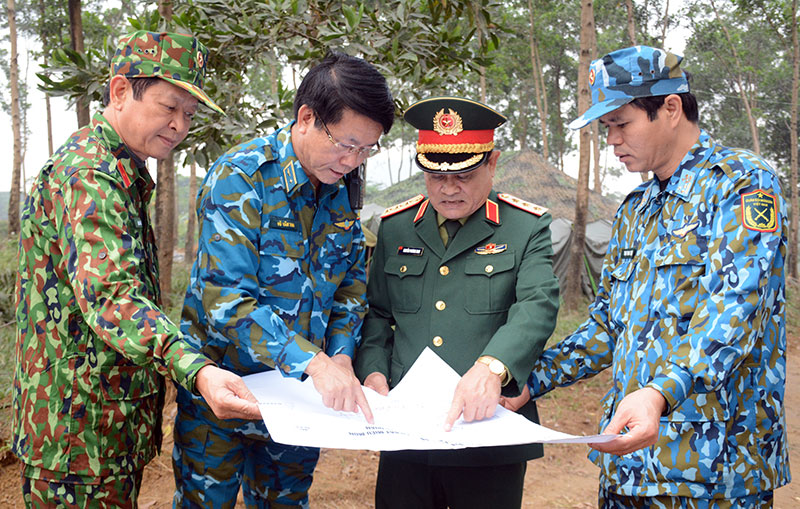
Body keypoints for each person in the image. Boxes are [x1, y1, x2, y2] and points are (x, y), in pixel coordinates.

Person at [527, 46, 790, 507]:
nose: (611, 140)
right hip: (630, 463)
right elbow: (609, 325)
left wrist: (659, 394)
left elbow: (735, 307)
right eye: (605, 127)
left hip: (715, 467)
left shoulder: (742, 183)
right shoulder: (635, 208)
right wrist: (531, 379)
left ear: (670, 108)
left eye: (622, 124)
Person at [12, 31, 262, 507]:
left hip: (101, 432)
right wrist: (198, 370)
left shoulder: (118, 167)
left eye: (188, 114)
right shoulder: (90, 175)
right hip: (75, 441)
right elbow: (113, 297)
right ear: (121, 91)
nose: (179, 125)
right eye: (169, 106)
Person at [171, 50, 395, 508]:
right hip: (225, 395)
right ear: (307, 117)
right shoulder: (241, 178)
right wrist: (315, 363)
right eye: (345, 143)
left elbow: (350, 285)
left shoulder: (340, 190)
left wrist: (342, 356)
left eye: (366, 149)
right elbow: (226, 300)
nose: (353, 161)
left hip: (299, 404)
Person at [355, 96, 560, 509]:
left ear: (492, 163)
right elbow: (377, 313)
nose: (448, 189)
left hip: (488, 430)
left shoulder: (525, 226)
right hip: (407, 435)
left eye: (464, 175)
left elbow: (537, 303)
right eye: (434, 175)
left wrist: (492, 368)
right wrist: (373, 371)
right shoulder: (395, 228)